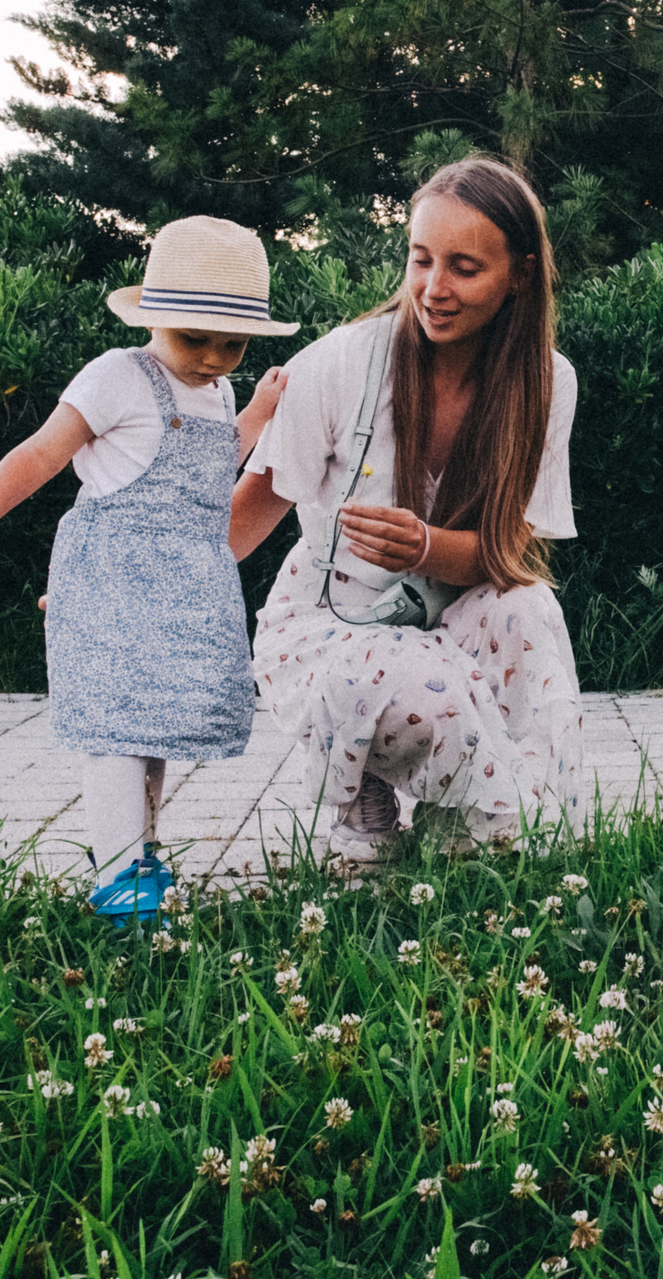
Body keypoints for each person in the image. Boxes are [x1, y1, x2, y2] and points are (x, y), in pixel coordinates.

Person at [0, 216, 293, 919]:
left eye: (234, 343)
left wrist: (256, 412)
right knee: (114, 728)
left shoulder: (219, 392)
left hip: (183, 589)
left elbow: (216, 464)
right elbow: (42, 451)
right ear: (155, 317)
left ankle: (141, 858)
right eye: (198, 338)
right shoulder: (117, 377)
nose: (216, 357)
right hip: (112, 579)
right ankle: (117, 878)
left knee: (152, 724)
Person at [231, 157, 582, 861]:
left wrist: (425, 547)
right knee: (426, 680)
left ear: (518, 273)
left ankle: (496, 831)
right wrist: (123, 588)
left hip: (452, 604)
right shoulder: (339, 363)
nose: (433, 288)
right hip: (332, 620)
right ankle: (361, 803)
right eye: (421, 259)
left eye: (463, 267)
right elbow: (246, 517)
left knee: (531, 609)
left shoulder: (547, 381)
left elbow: (506, 553)